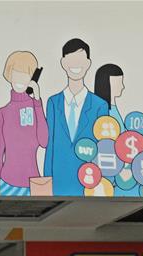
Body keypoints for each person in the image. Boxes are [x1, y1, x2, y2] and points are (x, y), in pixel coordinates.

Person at [43, 38, 109, 196]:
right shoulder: (53, 102)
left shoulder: (99, 105)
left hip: (88, 180)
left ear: (88, 63)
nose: (76, 65)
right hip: (58, 181)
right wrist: (47, 180)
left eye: (80, 60)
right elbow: (50, 146)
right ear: (63, 63)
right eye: (71, 60)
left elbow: (103, 148)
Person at [0, 50, 49, 197]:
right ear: (9, 75)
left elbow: (44, 142)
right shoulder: (3, 112)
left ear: (33, 78)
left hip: (34, 184)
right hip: (7, 184)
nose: (19, 79)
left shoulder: (36, 107)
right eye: (16, 73)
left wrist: (37, 101)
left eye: (25, 74)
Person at [93, 63, 125, 131]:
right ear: (106, 84)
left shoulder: (113, 108)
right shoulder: (104, 111)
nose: (122, 87)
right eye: (119, 83)